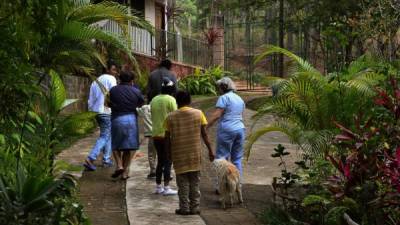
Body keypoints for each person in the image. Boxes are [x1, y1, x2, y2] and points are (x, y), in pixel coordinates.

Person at [165, 90, 214, 215]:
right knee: (195, 181)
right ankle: (195, 207)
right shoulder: (199, 114)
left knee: (182, 183)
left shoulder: (170, 117)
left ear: (176, 101)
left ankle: (184, 208)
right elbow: (204, 134)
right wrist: (210, 150)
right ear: (190, 101)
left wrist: (168, 154)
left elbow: (167, 138)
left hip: (178, 154)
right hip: (194, 153)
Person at [207, 77, 245, 185]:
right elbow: (240, 115)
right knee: (237, 159)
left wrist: (206, 127)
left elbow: (217, 115)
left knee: (221, 159)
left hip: (227, 130)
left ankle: (220, 186)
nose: (218, 89)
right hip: (240, 129)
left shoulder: (224, 98)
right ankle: (237, 185)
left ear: (223, 87)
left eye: (219, 87)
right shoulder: (239, 99)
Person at [109, 71, 144, 180]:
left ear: (119, 79)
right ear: (132, 80)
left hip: (117, 119)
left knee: (115, 146)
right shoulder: (136, 91)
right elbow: (141, 103)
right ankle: (124, 173)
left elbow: (108, 103)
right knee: (128, 148)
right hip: (131, 120)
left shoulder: (113, 90)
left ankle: (119, 165)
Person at [84, 60, 118, 171]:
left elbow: (91, 98)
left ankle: (106, 160)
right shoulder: (111, 79)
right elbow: (113, 94)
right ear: (107, 69)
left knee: (107, 134)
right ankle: (91, 158)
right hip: (106, 111)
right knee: (105, 135)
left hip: (96, 111)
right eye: (113, 69)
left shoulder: (96, 81)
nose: (115, 72)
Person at [150, 77, 178, 195]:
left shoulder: (154, 100)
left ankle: (158, 186)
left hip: (156, 135)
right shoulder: (171, 99)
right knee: (168, 161)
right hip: (167, 135)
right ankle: (166, 188)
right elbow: (175, 115)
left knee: (160, 161)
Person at [137, 104, 157, 179]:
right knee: (164, 154)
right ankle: (165, 171)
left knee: (151, 154)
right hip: (162, 133)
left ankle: (153, 171)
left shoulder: (144, 108)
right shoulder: (160, 105)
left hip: (151, 134)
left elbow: (137, 111)